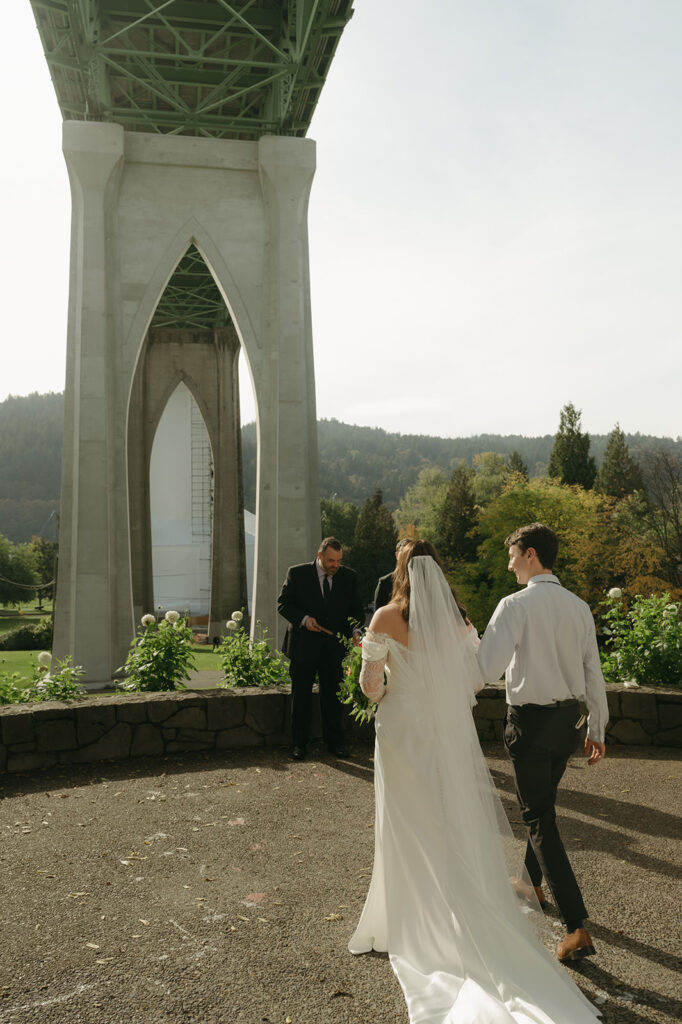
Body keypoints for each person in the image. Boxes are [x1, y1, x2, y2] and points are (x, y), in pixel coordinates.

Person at [349, 539, 601, 1024]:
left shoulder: (384, 618)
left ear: (400, 570)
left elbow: (371, 686)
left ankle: (406, 919)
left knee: (405, 821)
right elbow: (479, 674)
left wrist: (388, 681)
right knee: (445, 819)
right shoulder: (458, 618)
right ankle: (456, 909)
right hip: (443, 731)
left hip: (401, 729)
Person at [477, 522, 609, 964]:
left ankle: (576, 927)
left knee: (537, 818)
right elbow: (593, 671)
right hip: (569, 724)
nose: (509, 562)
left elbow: (487, 668)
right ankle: (532, 884)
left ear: (531, 554)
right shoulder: (579, 607)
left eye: (513, 554)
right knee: (544, 805)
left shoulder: (514, 605)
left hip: (531, 726)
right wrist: (597, 728)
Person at [278, 537, 364, 761]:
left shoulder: (349, 577)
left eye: (338, 560)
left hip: (334, 649)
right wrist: (304, 619)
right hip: (303, 647)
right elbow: (283, 604)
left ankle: (335, 743)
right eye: (330, 560)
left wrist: (356, 632)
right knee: (301, 697)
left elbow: (356, 612)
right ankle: (298, 745)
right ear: (319, 556)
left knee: (333, 699)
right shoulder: (297, 574)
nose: (335, 565)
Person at [373, 539, 408, 611]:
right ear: (397, 555)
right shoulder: (385, 582)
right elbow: (378, 613)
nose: (407, 557)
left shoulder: (421, 581)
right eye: (404, 553)